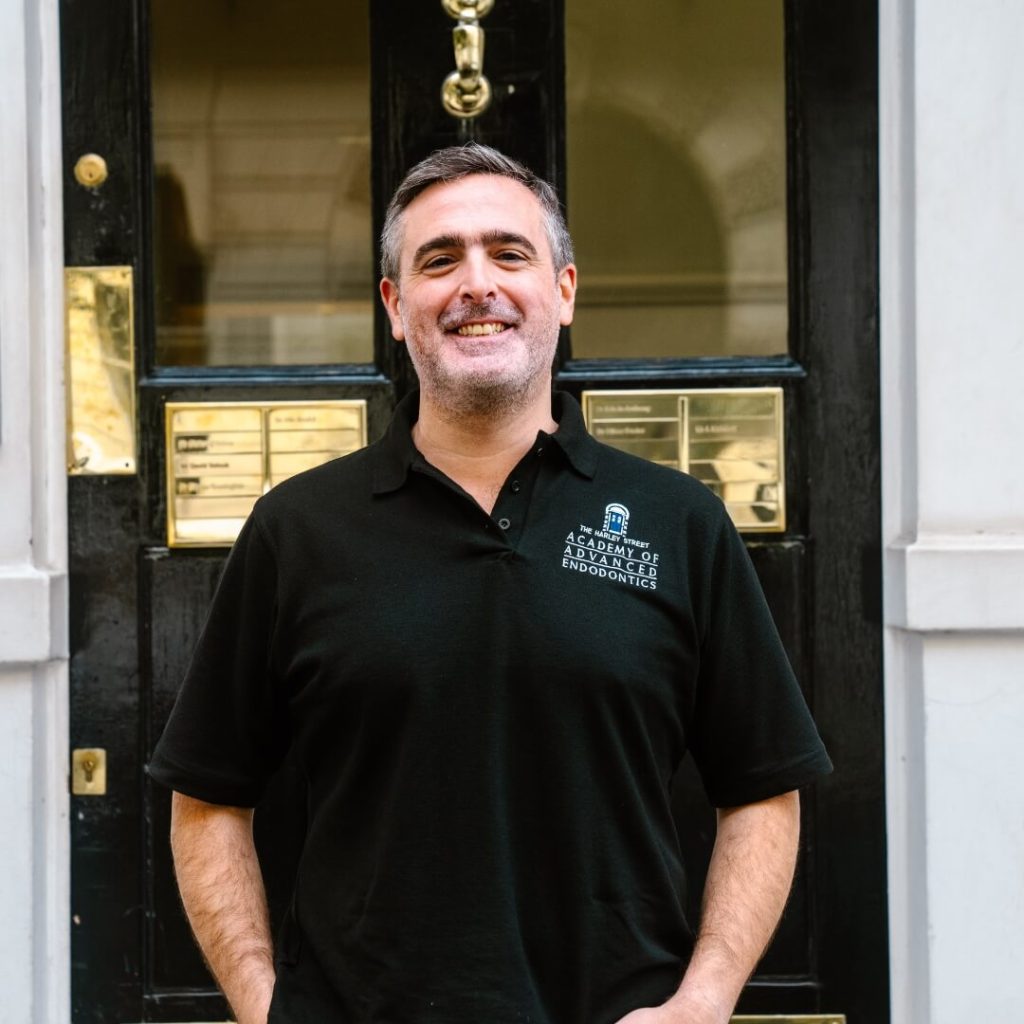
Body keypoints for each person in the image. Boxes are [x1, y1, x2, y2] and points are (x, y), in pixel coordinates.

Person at [149, 143, 832, 1024]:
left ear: (565, 290)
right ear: (396, 308)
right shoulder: (298, 531)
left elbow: (763, 788)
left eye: (510, 253)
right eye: (439, 260)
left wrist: (702, 1004)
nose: (477, 283)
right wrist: (262, 1006)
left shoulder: (678, 521)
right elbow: (206, 797)